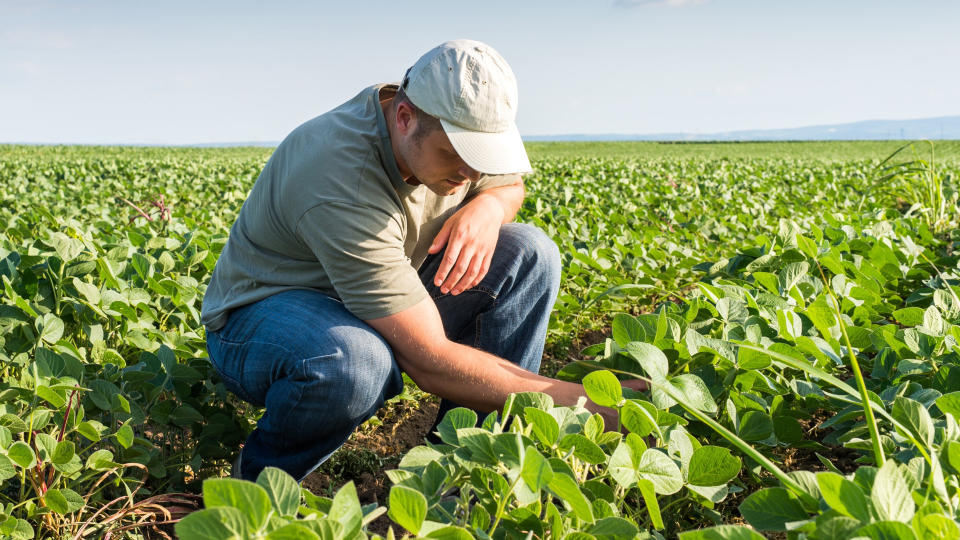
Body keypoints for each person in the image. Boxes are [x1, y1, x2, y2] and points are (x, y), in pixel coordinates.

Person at [201, 39, 641, 482]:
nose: (470, 174)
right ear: (405, 118)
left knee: (530, 253)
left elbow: (509, 186)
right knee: (356, 362)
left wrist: (487, 208)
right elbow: (429, 359)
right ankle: (255, 484)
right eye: (457, 156)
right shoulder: (339, 177)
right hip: (266, 316)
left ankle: (465, 468)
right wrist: (586, 406)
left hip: (379, 292)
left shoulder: (451, 122)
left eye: (480, 158)